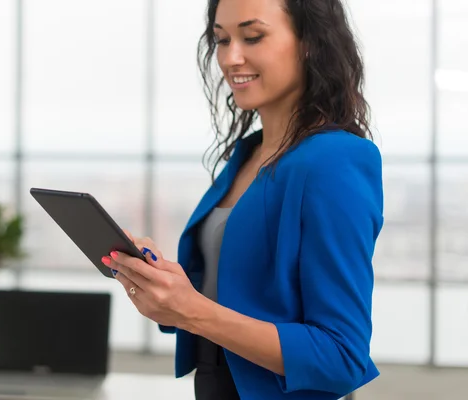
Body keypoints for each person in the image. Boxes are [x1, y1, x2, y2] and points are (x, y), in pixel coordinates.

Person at [100, 0, 383, 398]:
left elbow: (342, 356)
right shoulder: (247, 155)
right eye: (221, 40)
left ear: (310, 42)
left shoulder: (335, 160)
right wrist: (165, 284)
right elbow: (231, 296)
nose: (231, 58)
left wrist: (193, 311)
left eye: (253, 37)